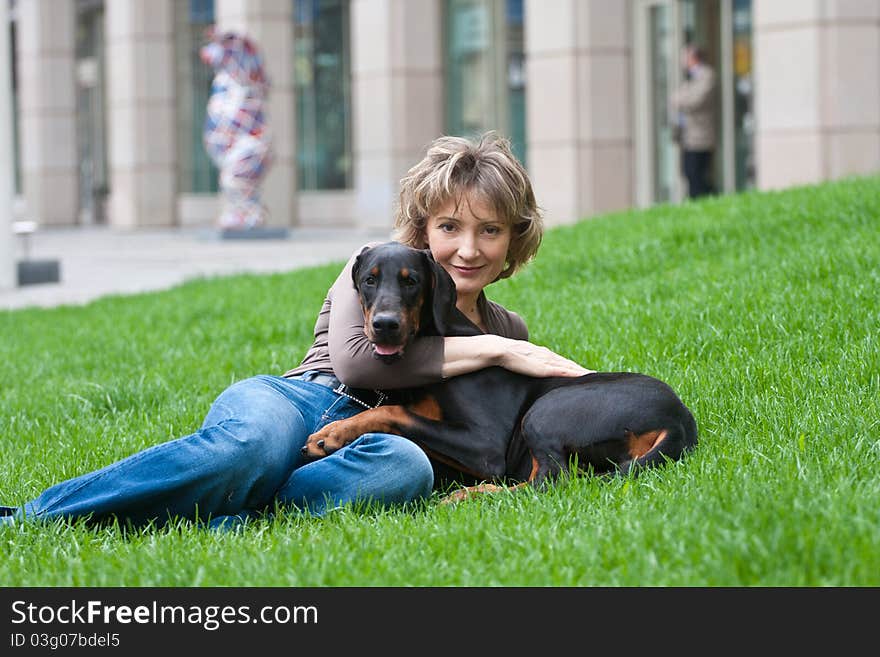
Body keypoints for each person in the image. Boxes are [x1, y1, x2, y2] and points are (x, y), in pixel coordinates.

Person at [1, 132, 590, 530]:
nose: (467, 248)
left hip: (380, 442)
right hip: (303, 400)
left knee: (404, 470)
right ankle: (31, 517)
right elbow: (361, 365)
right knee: (253, 446)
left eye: (489, 231)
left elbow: (487, 435)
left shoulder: (508, 326)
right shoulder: (375, 267)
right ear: (422, 227)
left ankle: (237, 513)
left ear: (515, 239)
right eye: (449, 226)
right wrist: (496, 349)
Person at [671, 44, 717, 199]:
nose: (682, 61)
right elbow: (675, 98)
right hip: (687, 136)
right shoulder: (689, 77)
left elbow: (694, 100)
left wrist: (681, 99)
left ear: (693, 57)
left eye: (685, 57)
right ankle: (696, 202)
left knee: (698, 174)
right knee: (688, 172)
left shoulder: (706, 75)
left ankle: (706, 201)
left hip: (701, 135)